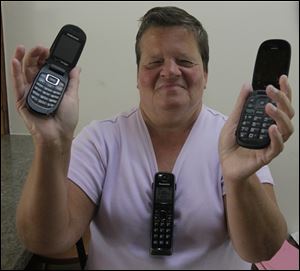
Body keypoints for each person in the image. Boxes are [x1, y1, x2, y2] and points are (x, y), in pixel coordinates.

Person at [12, 6, 294, 270]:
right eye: (154, 62)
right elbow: (45, 240)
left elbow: (262, 250)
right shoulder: (101, 140)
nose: (170, 71)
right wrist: (50, 143)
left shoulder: (235, 141)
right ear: (138, 76)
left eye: (184, 61)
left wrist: (240, 179)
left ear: (205, 75)